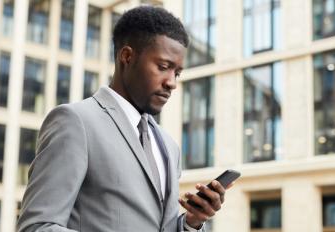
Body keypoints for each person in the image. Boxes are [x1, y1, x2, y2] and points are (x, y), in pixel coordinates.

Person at [17, 6, 231, 232]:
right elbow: (36, 227)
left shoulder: (169, 146)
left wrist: (192, 222)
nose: (172, 83)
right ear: (127, 57)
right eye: (163, 67)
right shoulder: (75, 122)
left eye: (177, 73)